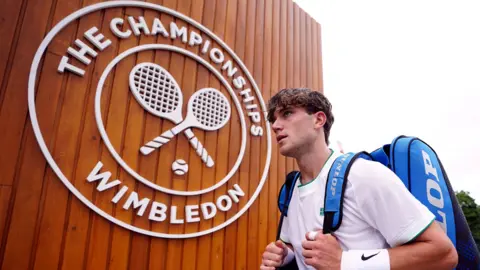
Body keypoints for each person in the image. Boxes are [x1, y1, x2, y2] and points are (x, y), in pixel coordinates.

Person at [260, 88, 458, 270]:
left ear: (319, 120)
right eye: (273, 119)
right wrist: (285, 254)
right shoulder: (291, 189)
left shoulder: (363, 175)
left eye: (287, 114)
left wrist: (344, 262)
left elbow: (443, 253)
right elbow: (295, 244)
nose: (276, 126)